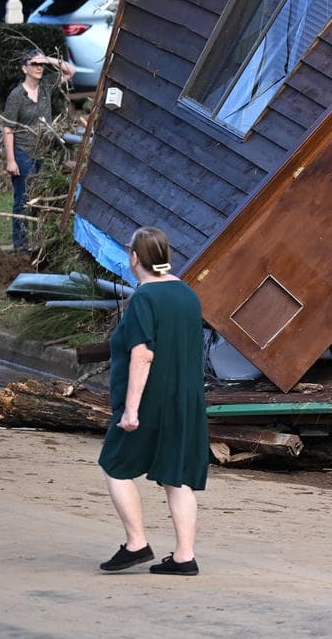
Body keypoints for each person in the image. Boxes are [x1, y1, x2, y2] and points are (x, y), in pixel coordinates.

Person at [98, 226, 209, 576]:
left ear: (134, 257)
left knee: (114, 464)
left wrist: (131, 409)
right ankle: (184, 556)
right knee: (175, 476)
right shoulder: (188, 294)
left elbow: (142, 356)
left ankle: (136, 544)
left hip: (151, 400)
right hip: (186, 399)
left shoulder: (144, 299)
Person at [1, 49, 75, 252]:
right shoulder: (16, 96)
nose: (39, 67)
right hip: (23, 153)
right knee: (23, 199)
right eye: (34, 64)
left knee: (42, 199)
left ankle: (39, 241)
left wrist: (47, 58)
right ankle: (21, 245)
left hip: (45, 154)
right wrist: (11, 160)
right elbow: (8, 128)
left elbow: (70, 71)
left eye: (40, 64)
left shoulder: (45, 87)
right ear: (24, 68)